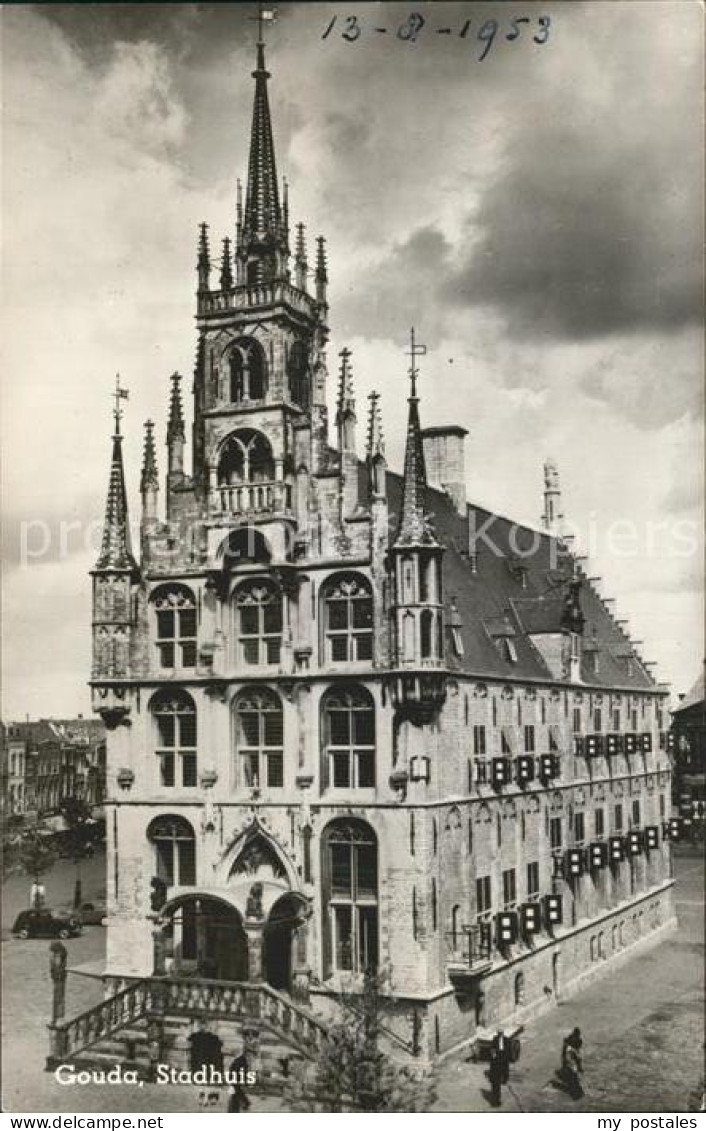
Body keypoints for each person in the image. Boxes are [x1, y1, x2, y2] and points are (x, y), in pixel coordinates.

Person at [561, 1027, 584, 1099]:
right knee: (571, 1071)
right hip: (569, 1055)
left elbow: (577, 1050)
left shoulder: (578, 1041)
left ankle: (571, 1076)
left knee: (572, 1071)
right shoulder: (569, 1040)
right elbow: (565, 1050)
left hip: (571, 1056)